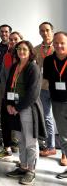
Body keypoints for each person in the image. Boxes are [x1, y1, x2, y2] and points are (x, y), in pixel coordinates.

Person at [5, 41, 46, 185]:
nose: (21, 51)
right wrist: (9, 104)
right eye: (18, 49)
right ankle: (23, 166)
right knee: (20, 140)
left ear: (29, 51)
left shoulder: (33, 67)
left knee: (30, 142)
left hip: (27, 108)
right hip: (14, 108)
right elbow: (8, 87)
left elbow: (33, 93)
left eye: (24, 49)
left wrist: (17, 107)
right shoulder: (14, 67)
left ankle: (31, 171)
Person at [0, 31, 23, 160]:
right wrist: (7, 95)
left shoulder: (25, 55)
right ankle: (7, 149)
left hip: (21, 95)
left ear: (21, 40)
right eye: (11, 40)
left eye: (15, 39)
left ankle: (23, 158)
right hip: (7, 93)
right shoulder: (6, 56)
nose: (12, 42)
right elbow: (3, 76)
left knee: (21, 123)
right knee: (5, 120)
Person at [43, 31, 67, 178]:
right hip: (58, 103)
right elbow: (46, 81)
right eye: (56, 43)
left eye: (62, 43)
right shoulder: (48, 60)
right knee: (64, 137)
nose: (59, 45)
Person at [33, 22, 56, 157]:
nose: (45, 33)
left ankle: (64, 153)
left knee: (62, 119)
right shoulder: (36, 49)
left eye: (47, 30)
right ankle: (50, 146)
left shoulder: (59, 47)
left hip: (58, 90)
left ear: (52, 31)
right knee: (46, 117)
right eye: (42, 31)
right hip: (42, 88)